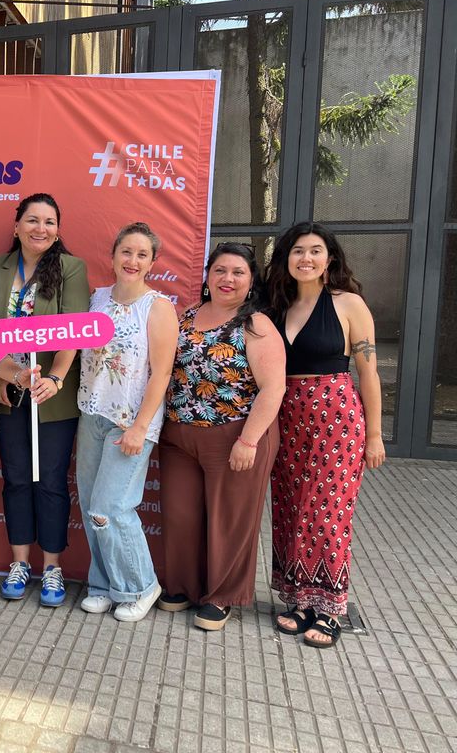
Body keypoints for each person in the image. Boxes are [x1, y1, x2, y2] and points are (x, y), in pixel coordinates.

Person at [265, 222, 386, 648]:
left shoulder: (348, 304)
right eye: (298, 250)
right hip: (286, 418)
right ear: (286, 258)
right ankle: (300, 600)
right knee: (291, 508)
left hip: (336, 418)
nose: (307, 258)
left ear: (329, 258)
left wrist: (375, 434)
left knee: (328, 513)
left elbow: (369, 373)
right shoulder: (276, 306)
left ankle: (330, 609)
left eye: (315, 250)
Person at [158, 242, 286, 631]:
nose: (227, 279)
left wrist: (248, 441)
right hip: (179, 436)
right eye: (220, 271)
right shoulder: (187, 315)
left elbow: (273, 388)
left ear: (251, 281)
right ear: (208, 276)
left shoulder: (256, 325)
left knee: (229, 520)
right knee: (180, 515)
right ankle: (183, 586)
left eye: (238, 272)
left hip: (235, 436)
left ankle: (221, 595)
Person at [0, 193, 89, 607]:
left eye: (49, 222)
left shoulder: (71, 268)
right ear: (17, 226)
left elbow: (74, 329)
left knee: (52, 481)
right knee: (18, 477)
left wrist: (56, 378)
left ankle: (53, 567)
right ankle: (20, 563)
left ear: (58, 230)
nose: (41, 228)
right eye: (32, 220)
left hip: (52, 394)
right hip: (10, 389)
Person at [76, 222, 177, 620]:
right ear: (114, 255)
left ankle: (141, 586)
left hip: (130, 422)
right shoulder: (96, 298)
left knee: (112, 508)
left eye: (141, 255)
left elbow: (162, 373)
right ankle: (104, 584)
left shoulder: (158, 307)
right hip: (92, 414)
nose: (132, 261)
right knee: (91, 506)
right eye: (126, 252)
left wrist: (140, 427)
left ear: (152, 262)